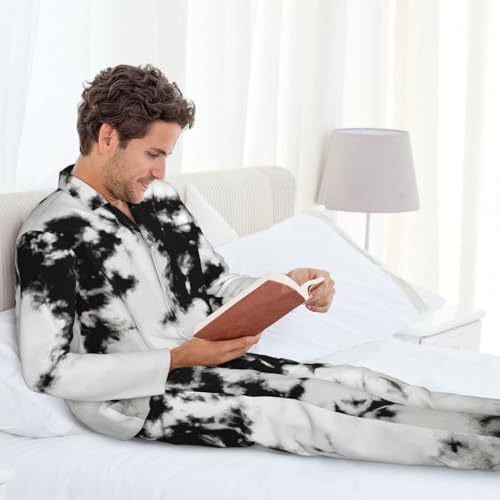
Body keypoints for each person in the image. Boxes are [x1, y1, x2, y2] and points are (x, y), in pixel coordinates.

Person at [15, 64, 500, 471]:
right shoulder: (51, 234)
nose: (161, 171)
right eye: (153, 154)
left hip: (213, 363)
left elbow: (215, 284)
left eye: (166, 156)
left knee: (355, 382)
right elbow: (48, 372)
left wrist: (286, 286)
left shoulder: (160, 202)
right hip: (137, 400)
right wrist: (178, 359)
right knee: (307, 419)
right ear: (107, 136)